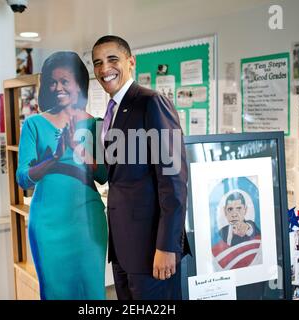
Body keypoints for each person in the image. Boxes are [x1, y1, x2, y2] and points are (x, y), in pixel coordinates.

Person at [92, 35, 190, 300]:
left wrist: (168, 246)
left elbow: (174, 180)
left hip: (153, 249)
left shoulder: (151, 102)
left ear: (130, 62)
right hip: (124, 247)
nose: (104, 69)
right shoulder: (111, 112)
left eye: (112, 59)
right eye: (97, 63)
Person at [16, 51, 108, 300]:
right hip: (48, 224)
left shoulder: (96, 125)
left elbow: (103, 175)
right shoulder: (33, 124)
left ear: (79, 83)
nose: (58, 87)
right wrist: (55, 157)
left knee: (92, 292)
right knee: (56, 292)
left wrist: (79, 149)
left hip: (88, 223)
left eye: (64, 81)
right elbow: (23, 177)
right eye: (52, 82)